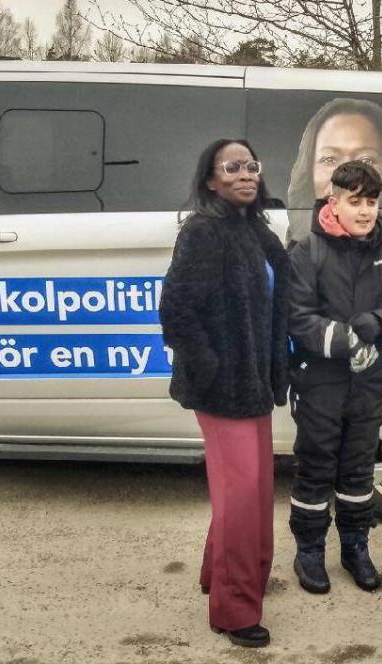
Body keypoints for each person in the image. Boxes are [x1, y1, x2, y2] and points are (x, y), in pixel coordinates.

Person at [159, 138, 290, 649]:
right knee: (241, 497)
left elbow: (292, 288)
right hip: (221, 388)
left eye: (251, 165)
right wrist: (210, 365)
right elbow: (176, 312)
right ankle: (233, 610)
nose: (245, 174)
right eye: (231, 167)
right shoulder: (203, 231)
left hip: (255, 383)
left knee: (253, 492)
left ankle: (224, 576)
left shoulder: (256, 232)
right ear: (211, 180)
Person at [286, 160, 382, 593]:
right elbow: (298, 318)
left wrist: (380, 322)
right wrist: (346, 339)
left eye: (371, 201)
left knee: (359, 471)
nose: (364, 211)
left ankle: (355, 548)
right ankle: (308, 552)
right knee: (314, 469)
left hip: (369, 384)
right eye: (354, 201)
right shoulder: (307, 251)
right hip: (320, 384)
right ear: (334, 201)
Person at [287, 97, 382, 243]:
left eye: (366, 161)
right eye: (329, 160)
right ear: (309, 171)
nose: (348, 177)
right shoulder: (298, 254)